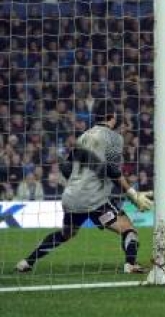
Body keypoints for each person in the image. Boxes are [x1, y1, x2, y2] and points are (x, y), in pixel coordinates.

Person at [16, 99, 153, 273]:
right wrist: (132, 193)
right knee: (128, 228)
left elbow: (66, 167)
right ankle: (131, 264)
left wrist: (79, 181)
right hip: (93, 200)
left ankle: (27, 262)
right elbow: (112, 170)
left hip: (71, 197)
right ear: (114, 117)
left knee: (67, 234)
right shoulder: (114, 137)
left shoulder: (83, 137)